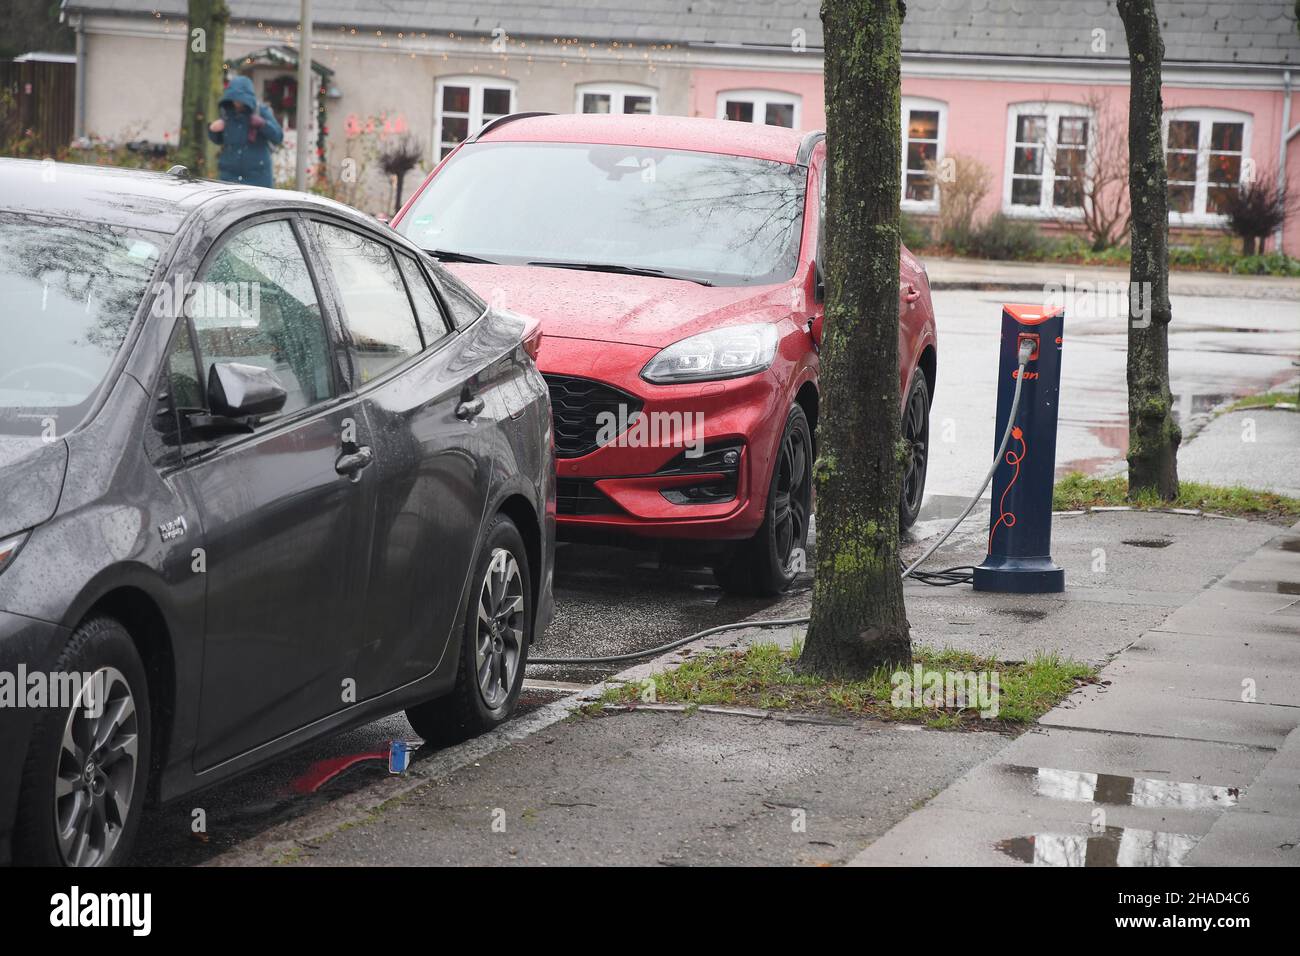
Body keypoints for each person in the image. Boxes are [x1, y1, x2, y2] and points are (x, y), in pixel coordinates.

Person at [207, 75, 284, 187]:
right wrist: (213, 130)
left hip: (258, 179)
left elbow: (278, 136)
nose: (236, 103)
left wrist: (263, 124)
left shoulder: (261, 111)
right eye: (233, 99)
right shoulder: (227, 112)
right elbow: (221, 141)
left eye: (240, 99)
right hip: (229, 177)